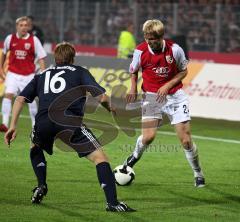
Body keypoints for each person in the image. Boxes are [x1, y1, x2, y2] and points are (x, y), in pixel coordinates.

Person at [4, 42, 135, 212]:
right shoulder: (80, 72)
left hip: (44, 122)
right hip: (69, 122)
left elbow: (20, 99)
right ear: (72, 58)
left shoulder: (42, 75)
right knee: (100, 159)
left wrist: (12, 125)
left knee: (35, 146)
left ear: (56, 58)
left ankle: (41, 185)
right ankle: (112, 203)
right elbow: (101, 97)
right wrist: (110, 108)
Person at [122, 19, 205, 187]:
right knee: (148, 137)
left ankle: (198, 173)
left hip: (175, 96)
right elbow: (134, 70)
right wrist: (132, 88)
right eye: (147, 38)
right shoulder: (140, 51)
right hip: (151, 96)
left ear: (161, 36)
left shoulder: (175, 50)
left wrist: (167, 85)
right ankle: (132, 158)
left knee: (186, 141)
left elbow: (183, 71)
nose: (150, 42)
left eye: (153, 39)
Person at [0, 16, 46, 132]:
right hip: (13, 73)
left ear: (28, 27)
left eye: (26, 25)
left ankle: (35, 126)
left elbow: (41, 57)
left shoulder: (34, 40)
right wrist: (1, 68)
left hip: (28, 75)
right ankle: (4, 123)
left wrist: (43, 72)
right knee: (8, 95)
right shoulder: (10, 39)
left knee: (30, 100)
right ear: (17, 26)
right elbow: (4, 53)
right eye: (21, 25)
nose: (24, 27)